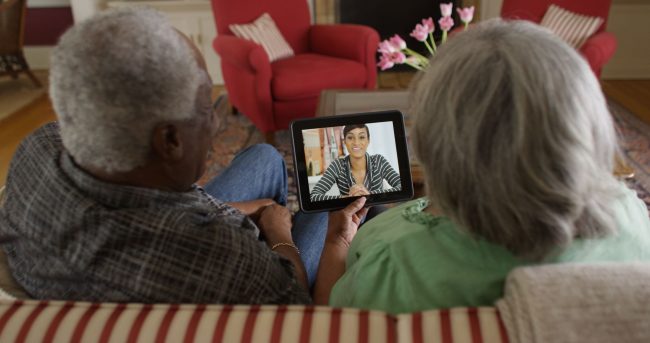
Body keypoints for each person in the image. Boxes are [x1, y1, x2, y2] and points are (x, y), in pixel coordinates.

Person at [0, 8, 338, 303]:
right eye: (207, 107)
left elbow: (163, 208)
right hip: (195, 267)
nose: (217, 120)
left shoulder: (38, 147)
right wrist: (278, 233)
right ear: (170, 140)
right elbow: (294, 301)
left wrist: (248, 211)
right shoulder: (225, 260)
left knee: (264, 156)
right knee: (331, 206)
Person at [313, 19, 650, 313]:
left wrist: (337, 243)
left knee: (315, 217)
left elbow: (334, 322)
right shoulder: (632, 218)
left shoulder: (391, 260)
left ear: (434, 143)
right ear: (587, 122)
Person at [310, 124, 401, 201]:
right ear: (344, 141)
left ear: (368, 141)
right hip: (348, 212)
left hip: (374, 210)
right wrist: (347, 198)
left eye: (361, 137)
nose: (356, 142)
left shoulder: (378, 161)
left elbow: (401, 185)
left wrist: (369, 195)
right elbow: (314, 196)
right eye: (350, 137)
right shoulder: (337, 165)